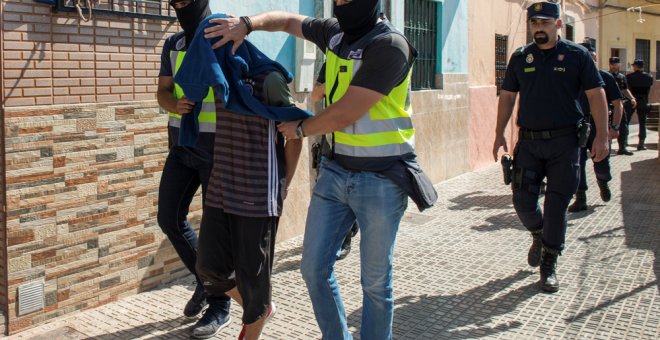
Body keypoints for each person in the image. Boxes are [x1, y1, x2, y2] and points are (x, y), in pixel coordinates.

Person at [204, 0, 434, 337]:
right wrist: (247, 24)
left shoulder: (390, 45)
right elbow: (285, 21)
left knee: (374, 282)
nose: (342, 5)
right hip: (335, 172)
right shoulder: (336, 33)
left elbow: (346, 112)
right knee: (313, 269)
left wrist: (300, 129)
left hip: (383, 178)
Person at [174, 13, 310, 339]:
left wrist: (284, 184)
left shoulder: (269, 79)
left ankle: (255, 315)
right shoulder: (220, 78)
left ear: (230, 39)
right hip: (222, 185)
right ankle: (259, 307)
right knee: (207, 268)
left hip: (258, 190)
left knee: (253, 274)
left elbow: (295, 135)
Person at [492, 2, 609, 293]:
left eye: (545, 23)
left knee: (557, 206)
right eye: (534, 23)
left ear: (558, 25)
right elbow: (507, 97)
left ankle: (549, 263)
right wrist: (498, 133)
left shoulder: (577, 56)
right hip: (529, 143)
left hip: (565, 143)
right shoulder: (521, 57)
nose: (539, 28)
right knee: (522, 201)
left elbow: (596, 95)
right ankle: (539, 233)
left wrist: (603, 136)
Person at [155, 0, 232, 337]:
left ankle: (220, 304)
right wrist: (174, 104)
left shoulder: (224, 33)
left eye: (187, 1)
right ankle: (205, 280)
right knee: (169, 218)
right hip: (181, 145)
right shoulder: (174, 43)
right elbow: (163, 91)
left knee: (217, 233)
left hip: (217, 147)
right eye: (176, 2)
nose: (180, 6)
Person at [310, 62, 358, 262]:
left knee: (351, 192)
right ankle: (342, 235)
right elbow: (315, 96)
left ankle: (347, 234)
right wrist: (330, 85)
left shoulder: (365, 63)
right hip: (330, 139)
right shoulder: (329, 64)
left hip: (358, 142)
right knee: (331, 191)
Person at [568, 43, 623, 212]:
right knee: (577, 161)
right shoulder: (571, 76)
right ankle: (581, 196)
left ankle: (603, 182)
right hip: (577, 125)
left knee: (601, 160)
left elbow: (617, 103)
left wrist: (614, 126)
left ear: (595, 57)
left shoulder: (605, 77)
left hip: (598, 124)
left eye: (591, 55)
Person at [609, 57, 637, 155]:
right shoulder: (606, 76)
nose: (614, 65)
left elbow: (625, 89)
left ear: (619, 64)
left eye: (616, 63)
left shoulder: (622, 76)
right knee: (608, 126)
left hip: (621, 105)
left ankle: (622, 148)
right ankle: (607, 147)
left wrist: (632, 98)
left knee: (623, 126)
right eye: (612, 64)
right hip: (609, 105)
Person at [626, 59, 655, 151]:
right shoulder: (649, 77)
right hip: (643, 101)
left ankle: (624, 142)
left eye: (633, 65)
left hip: (631, 100)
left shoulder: (629, 77)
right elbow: (649, 90)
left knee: (626, 121)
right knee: (642, 123)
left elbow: (627, 90)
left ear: (635, 66)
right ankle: (641, 144)